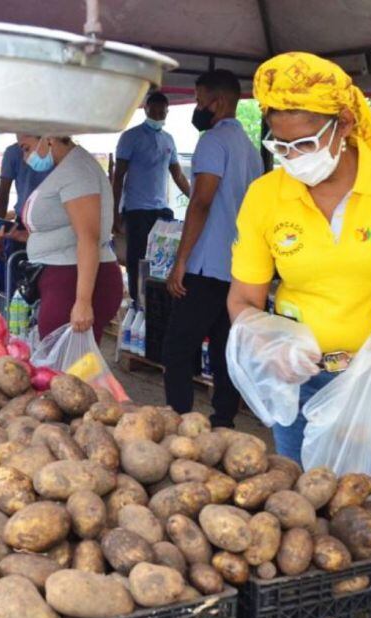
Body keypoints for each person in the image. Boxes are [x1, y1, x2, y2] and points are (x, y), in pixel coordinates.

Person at [228, 51, 371, 463]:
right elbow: (243, 298)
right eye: (281, 144)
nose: (294, 155)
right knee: (298, 498)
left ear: (345, 125)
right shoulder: (265, 196)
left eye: (305, 142)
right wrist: (267, 344)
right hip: (300, 376)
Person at [161, 69, 262, 428]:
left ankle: (179, 422)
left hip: (205, 267)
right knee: (224, 351)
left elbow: (201, 201)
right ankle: (223, 423)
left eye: (201, 101)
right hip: (238, 268)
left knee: (177, 348)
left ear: (217, 103)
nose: (198, 108)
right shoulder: (251, 149)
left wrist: (181, 261)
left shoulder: (212, 143)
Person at [0, 136, 122, 343]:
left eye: (26, 148)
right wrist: (18, 235)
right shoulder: (67, 168)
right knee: (62, 365)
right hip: (63, 277)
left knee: (66, 367)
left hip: (73, 280)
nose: (25, 158)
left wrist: (83, 302)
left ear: (47, 138)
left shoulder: (77, 171)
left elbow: (88, 238)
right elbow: (67, 231)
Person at [113, 91, 192, 301]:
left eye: (161, 112)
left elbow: (178, 175)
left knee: (163, 259)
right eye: (153, 111)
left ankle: (157, 300)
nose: (157, 116)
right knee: (136, 259)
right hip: (136, 209)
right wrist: (115, 212)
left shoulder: (169, 140)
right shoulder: (130, 137)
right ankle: (137, 302)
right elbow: (118, 176)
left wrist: (196, 199)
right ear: (145, 109)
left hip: (161, 209)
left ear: (167, 112)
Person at [0, 134, 53, 253]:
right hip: (23, 222)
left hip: (51, 223)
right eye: (24, 149)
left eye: (26, 149)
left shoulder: (60, 156)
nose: (26, 157)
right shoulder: (13, 152)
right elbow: (3, 194)